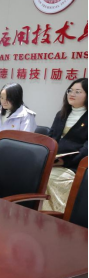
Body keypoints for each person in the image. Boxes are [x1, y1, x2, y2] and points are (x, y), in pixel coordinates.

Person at [44, 78, 88, 213]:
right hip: (54, 161)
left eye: (77, 91)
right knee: (33, 172)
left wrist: (64, 162)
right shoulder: (61, 114)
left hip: (75, 166)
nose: (72, 94)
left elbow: (86, 150)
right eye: (70, 90)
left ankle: (57, 214)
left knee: (48, 177)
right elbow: (50, 138)